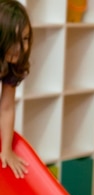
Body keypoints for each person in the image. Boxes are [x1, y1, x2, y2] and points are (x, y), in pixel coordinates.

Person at [0, 0, 32, 178]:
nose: (21, 48)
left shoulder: (11, 63)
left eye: (25, 39)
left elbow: (6, 107)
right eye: (13, 41)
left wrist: (6, 151)